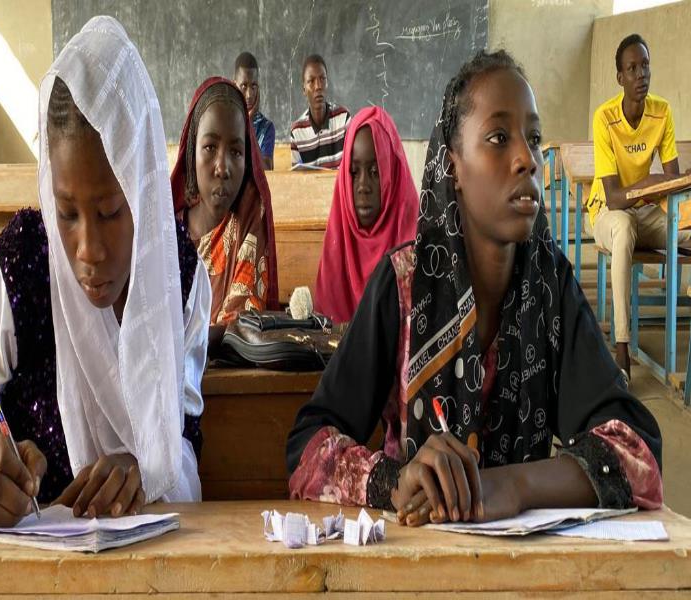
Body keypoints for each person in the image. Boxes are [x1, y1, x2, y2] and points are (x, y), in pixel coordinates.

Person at [287, 50, 663, 526]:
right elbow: (308, 445)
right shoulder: (402, 286)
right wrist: (395, 482)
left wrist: (514, 484)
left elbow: (638, 450)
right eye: (499, 138)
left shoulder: (550, 287)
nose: (527, 159)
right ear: (454, 167)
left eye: (533, 138)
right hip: (412, 559)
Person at [0, 16, 211, 527]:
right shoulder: (20, 268)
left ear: (140, 186)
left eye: (111, 212)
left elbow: (185, 445)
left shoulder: (179, 281)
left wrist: (144, 471)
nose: (87, 250)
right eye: (66, 213)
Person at [588, 33, 688, 382]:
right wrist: (648, 184)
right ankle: (622, 346)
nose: (641, 74)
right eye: (632, 68)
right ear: (620, 78)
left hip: (643, 210)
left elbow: (672, 181)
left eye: (645, 65)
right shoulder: (605, 118)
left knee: (684, 228)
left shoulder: (661, 112)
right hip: (606, 213)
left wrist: (676, 181)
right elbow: (614, 197)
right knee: (623, 227)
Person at [171, 77, 279, 330]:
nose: (222, 168)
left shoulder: (248, 223)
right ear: (191, 153)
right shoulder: (167, 234)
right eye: (209, 147)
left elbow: (244, 325)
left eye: (236, 152)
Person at [315, 106, 419, 323]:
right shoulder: (338, 245)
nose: (363, 186)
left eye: (375, 172)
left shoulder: (414, 247)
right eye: (354, 172)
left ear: (393, 174)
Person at [290, 54, 350, 169]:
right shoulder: (297, 132)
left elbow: (352, 168)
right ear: (304, 89)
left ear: (327, 83)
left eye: (322, 79)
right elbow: (296, 179)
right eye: (311, 81)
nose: (318, 86)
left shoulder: (343, 118)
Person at [234, 51, 275, 171]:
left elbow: (267, 169)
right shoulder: (225, 124)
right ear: (234, 85)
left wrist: (249, 122)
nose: (249, 95)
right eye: (244, 86)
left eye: (254, 86)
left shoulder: (266, 127)